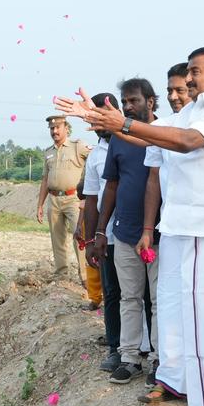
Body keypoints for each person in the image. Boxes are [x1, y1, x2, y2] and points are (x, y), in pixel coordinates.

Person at [57, 46, 204, 406]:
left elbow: (185, 141)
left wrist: (123, 125)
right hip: (192, 230)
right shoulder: (193, 110)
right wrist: (107, 122)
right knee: (197, 328)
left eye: (196, 71)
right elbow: (155, 136)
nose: (189, 77)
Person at [93, 79, 160, 384]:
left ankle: (160, 360)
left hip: (160, 233)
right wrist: (100, 231)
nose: (129, 106)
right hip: (124, 232)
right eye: (125, 101)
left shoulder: (164, 133)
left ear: (151, 101)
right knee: (129, 297)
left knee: (159, 300)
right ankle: (130, 357)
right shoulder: (119, 138)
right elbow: (111, 186)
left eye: (134, 100)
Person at [139, 63, 192, 404]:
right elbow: (154, 179)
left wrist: (122, 124)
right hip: (170, 226)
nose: (174, 96)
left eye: (181, 90)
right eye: (170, 90)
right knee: (170, 304)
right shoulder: (162, 128)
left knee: (198, 308)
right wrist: (148, 229)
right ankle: (170, 377)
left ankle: (200, 385)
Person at [80, 94, 124, 371]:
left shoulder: (134, 144)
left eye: (105, 113)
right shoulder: (95, 155)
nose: (100, 120)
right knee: (112, 292)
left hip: (134, 231)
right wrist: (91, 237)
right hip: (106, 234)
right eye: (95, 116)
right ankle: (115, 345)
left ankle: (142, 347)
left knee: (140, 295)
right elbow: (91, 199)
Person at [38, 116, 90, 275]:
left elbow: (95, 160)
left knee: (79, 237)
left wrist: (89, 191)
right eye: (51, 129)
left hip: (73, 199)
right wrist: (40, 205)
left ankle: (85, 275)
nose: (54, 131)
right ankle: (61, 273)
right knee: (57, 239)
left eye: (57, 127)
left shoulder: (77, 147)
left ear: (66, 128)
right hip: (53, 200)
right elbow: (45, 179)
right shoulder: (48, 152)